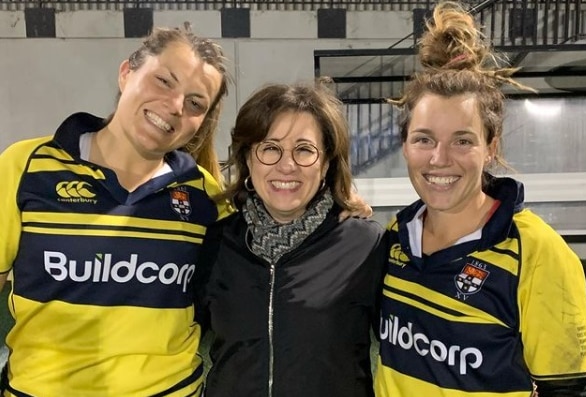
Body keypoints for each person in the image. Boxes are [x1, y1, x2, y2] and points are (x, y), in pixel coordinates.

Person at [374, 2, 586, 397]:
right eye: (424, 139)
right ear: (405, 146)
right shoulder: (395, 237)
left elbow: (565, 389)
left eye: (463, 140)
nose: (439, 159)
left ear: (490, 147)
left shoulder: (539, 253)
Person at [0, 26, 231, 396]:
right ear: (127, 73)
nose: (175, 106)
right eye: (164, 81)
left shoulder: (206, 195)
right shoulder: (26, 166)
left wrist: (337, 205)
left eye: (195, 103)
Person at [196, 81, 385, 397]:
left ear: (325, 163)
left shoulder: (366, 246)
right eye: (270, 148)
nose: (287, 165)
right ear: (248, 159)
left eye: (304, 150)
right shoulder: (216, 244)